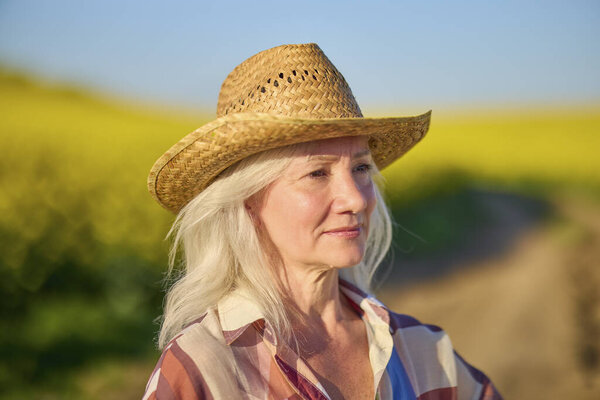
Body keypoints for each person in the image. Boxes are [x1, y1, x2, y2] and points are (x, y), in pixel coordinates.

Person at [143, 43, 502, 399]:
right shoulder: (202, 372)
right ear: (248, 201)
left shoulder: (426, 356)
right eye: (317, 173)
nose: (357, 198)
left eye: (361, 168)